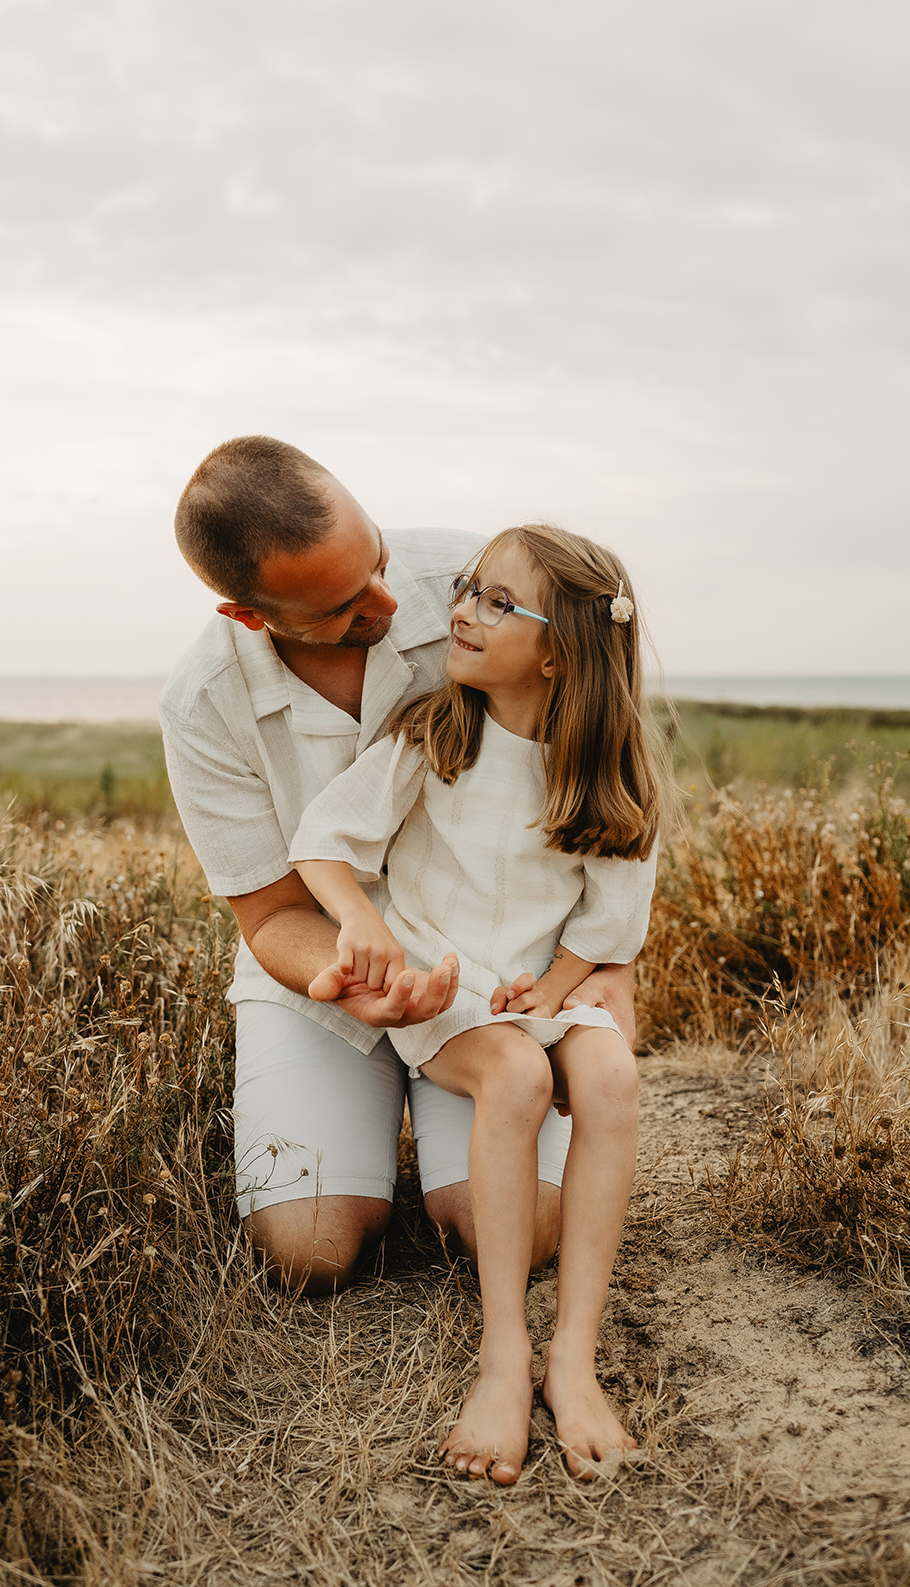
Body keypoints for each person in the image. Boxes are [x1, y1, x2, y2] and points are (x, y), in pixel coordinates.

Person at [161, 437, 637, 1295]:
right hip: (326, 980)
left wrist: (609, 966)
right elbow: (271, 915)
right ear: (250, 616)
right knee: (309, 1250)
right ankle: (366, 1135)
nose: (389, 601)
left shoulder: (477, 579)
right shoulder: (202, 704)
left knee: (520, 1231)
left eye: (376, 559)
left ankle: (449, 1151)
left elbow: (599, 730)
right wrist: (354, 978)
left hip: (490, 966)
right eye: (343, 606)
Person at [289, 523, 662, 1484]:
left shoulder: (607, 770)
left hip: (535, 987)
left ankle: (572, 1356)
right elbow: (322, 840)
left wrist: (555, 987)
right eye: (468, 587)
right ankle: (504, 1353)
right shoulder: (435, 735)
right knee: (515, 1072)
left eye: (499, 602)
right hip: (441, 987)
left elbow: (607, 923)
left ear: (557, 652)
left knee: (610, 1075)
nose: (461, 610)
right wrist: (358, 922)